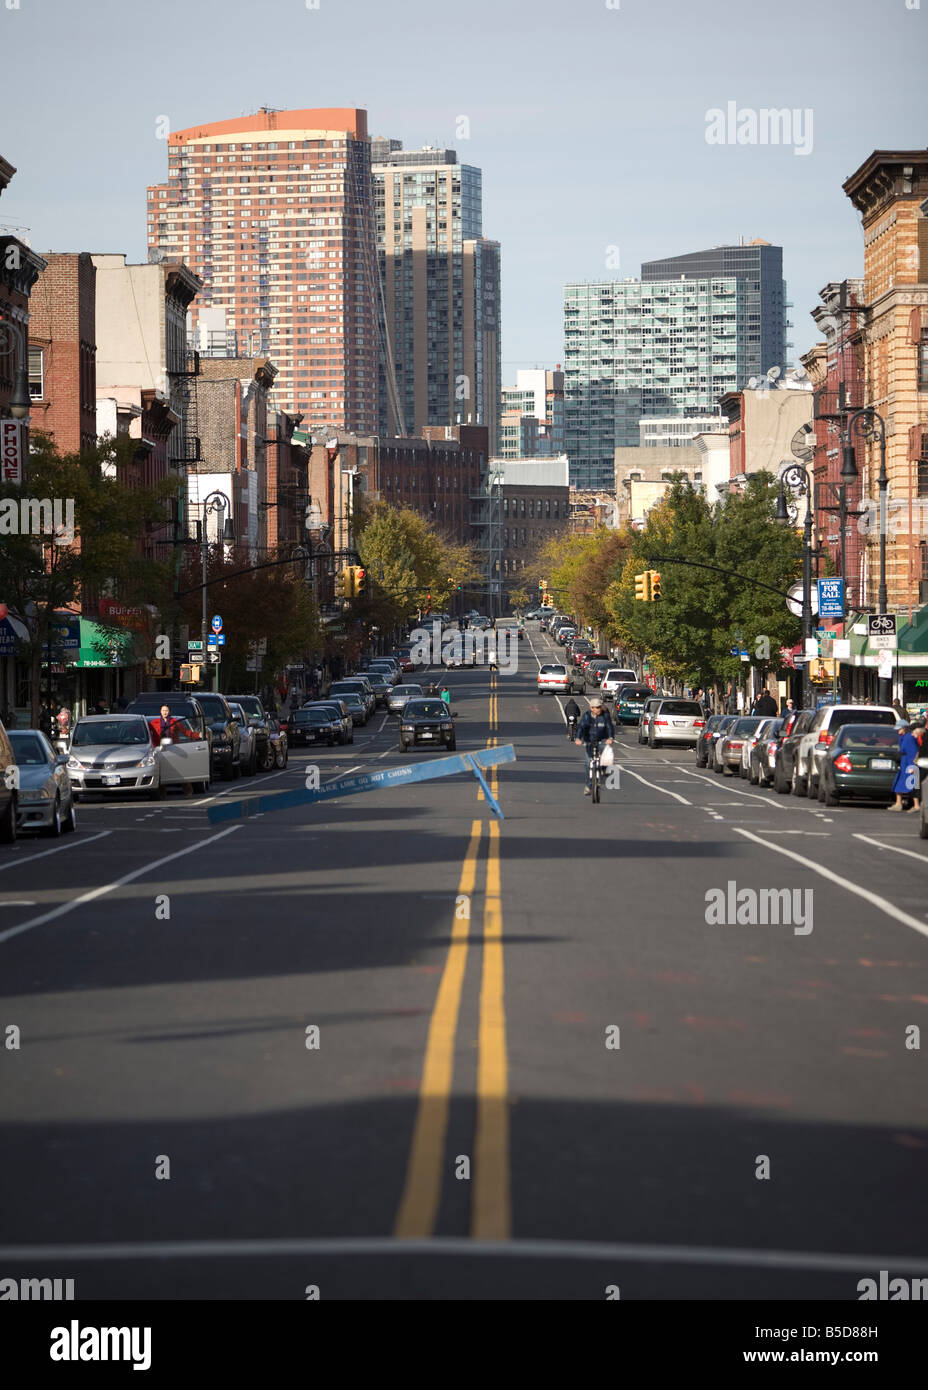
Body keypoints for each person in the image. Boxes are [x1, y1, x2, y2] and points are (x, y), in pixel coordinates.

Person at [575, 695, 614, 796]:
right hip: (589, 741)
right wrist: (578, 738)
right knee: (588, 763)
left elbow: (610, 727)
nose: (598, 709)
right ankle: (588, 786)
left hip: (602, 740)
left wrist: (610, 738)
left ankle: (604, 769)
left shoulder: (605, 716)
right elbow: (581, 728)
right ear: (591, 708)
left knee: (607, 754)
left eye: (599, 707)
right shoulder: (587, 716)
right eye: (596, 707)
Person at [887, 721, 921, 813]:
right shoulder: (903, 737)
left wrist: (913, 766)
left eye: (900, 728)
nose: (898, 730)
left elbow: (913, 752)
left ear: (905, 728)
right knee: (899, 784)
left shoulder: (909, 738)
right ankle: (898, 804)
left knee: (913, 785)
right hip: (904, 763)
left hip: (908, 764)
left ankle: (916, 805)